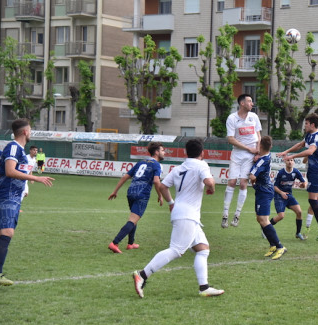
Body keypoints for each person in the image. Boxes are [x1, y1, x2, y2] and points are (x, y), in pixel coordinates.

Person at [132, 138, 224, 298]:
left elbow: (163, 186)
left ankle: (204, 287)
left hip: (185, 214)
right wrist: (212, 187)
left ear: (185, 152)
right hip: (187, 216)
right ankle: (142, 275)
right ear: (202, 153)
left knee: (203, 249)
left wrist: (170, 202)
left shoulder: (179, 168)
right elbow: (209, 181)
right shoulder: (202, 165)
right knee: (176, 250)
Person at [0, 119, 54, 286]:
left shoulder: (21, 151)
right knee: (8, 233)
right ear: (25, 132)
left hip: (13, 198)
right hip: (5, 196)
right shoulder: (13, 147)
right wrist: (36, 178)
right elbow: (10, 171)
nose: (31, 132)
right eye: (30, 130)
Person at [279, 113, 318, 241]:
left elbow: (310, 151)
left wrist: (292, 156)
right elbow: (300, 144)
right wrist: (287, 152)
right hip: (316, 171)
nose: (305, 126)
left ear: (312, 125)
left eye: (306, 124)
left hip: (316, 171)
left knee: (313, 200)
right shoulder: (309, 135)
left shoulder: (317, 137)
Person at [107, 142, 165, 253]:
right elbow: (156, 181)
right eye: (162, 150)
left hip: (131, 192)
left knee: (134, 218)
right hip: (142, 194)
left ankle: (131, 243)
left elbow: (125, 177)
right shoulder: (157, 165)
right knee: (132, 220)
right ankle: (114, 243)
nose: (164, 152)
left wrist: (115, 191)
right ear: (156, 152)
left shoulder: (141, 162)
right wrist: (160, 195)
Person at [222, 93, 262, 229]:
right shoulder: (232, 118)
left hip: (250, 156)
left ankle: (237, 215)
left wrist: (257, 151)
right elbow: (230, 139)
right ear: (242, 103)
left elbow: (258, 135)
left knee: (244, 183)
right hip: (238, 154)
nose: (252, 103)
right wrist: (248, 148)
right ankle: (225, 214)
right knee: (232, 181)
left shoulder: (254, 117)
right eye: (250, 101)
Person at [250, 136, 287, 260]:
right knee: (259, 218)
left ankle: (280, 246)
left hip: (264, 191)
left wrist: (253, 179)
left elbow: (251, 175)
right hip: (263, 190)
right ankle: (272, 245)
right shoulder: (267, 156)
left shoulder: (262, 160)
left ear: (260, 146)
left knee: (263, 219)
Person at [270, 157, 306, 241]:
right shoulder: (280, 172)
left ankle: (298, 233)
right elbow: (274, 186)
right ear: (285, 162)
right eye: (288, 160)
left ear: (294, 162)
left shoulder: (296, 172)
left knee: (299, 212)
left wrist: (303, 185)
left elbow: (304, 182)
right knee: (281, 216)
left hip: (289, 195)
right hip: (279, 196)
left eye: (291, 160)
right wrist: (281, 193)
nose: (290, 162)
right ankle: (266, 228)